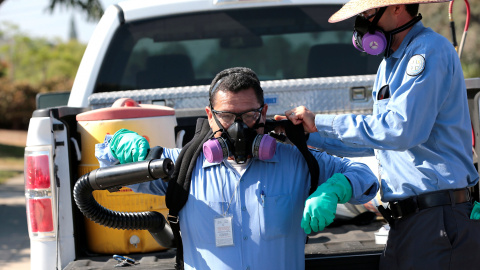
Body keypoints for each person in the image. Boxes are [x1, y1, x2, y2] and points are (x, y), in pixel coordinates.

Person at [99, 67, 378, 270]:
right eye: (227, 116)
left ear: (264, 113)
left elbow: (366, 178)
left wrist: (335, 189)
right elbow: (103, 178)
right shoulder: (182, 166)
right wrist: (116, 145)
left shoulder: (297, 162)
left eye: (248, 115)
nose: (238, 126)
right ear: (210, 117)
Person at [276, 1, 480, 269]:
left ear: (397, 7)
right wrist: (305, 136)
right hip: (410, 222)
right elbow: (381, 143)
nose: (362, 22)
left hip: (437, 218)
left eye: (368, 13)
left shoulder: (428, 51)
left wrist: (320, 122)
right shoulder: (390, 63)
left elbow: (399, 131)